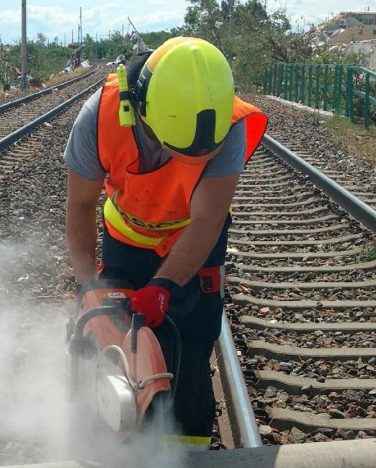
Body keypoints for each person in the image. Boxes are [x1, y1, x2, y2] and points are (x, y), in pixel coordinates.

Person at [63, 37, 268, 446]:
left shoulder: (229, 125)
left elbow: (207, 219)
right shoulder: (99, 117)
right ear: (145, 111)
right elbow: (81, 205)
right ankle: (108, 448)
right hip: (127, 240)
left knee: (190, 348)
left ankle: (188, 467)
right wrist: (90, 287)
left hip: (196, 244)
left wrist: (165, 287)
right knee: (111, 344)